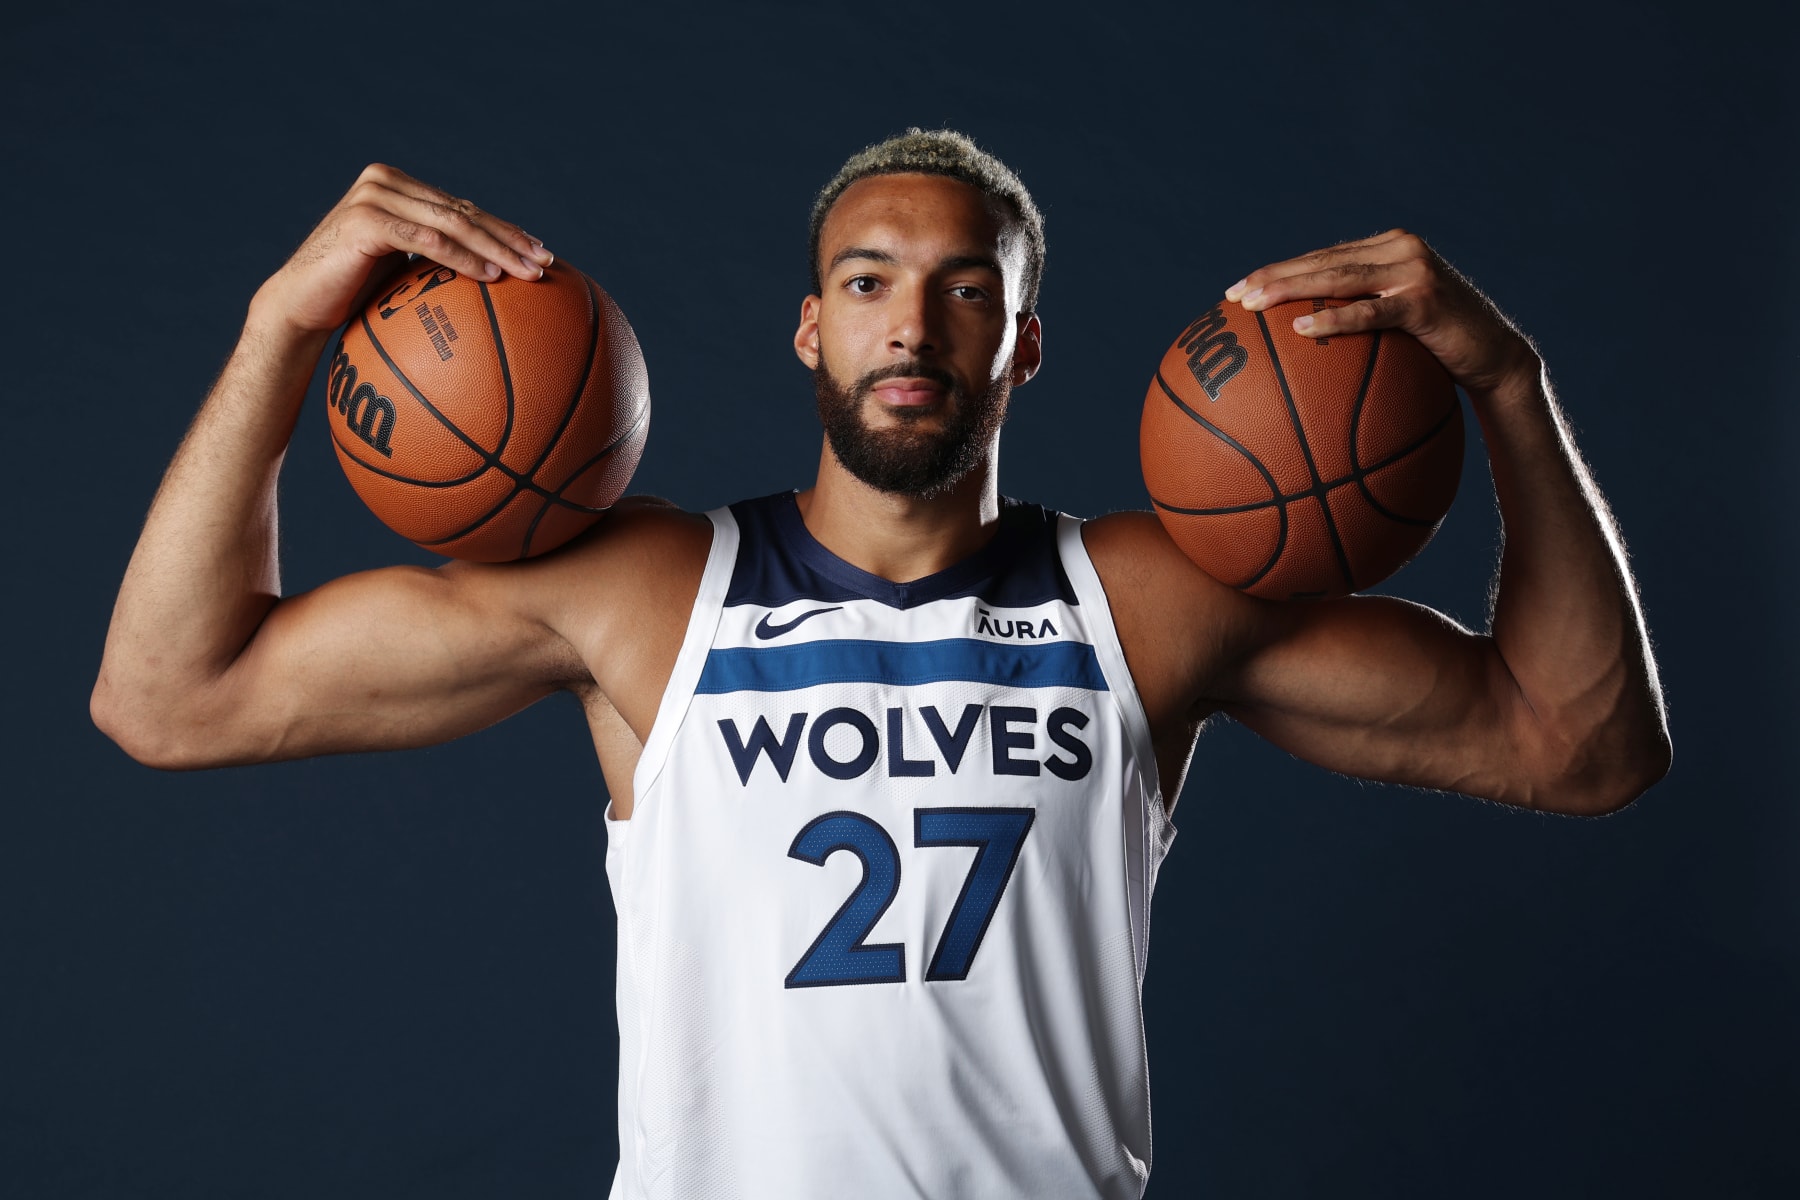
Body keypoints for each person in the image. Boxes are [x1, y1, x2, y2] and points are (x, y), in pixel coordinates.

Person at [92, 129, 1670, 1198]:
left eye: (966, 288)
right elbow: (170, 699)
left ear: (1024, 343)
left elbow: (1577, 745)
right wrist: (277, 336)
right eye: (867, 282)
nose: (911, 324)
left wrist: (1507, 383)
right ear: (809, 331)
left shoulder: (1144, 598)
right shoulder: (647, 593)